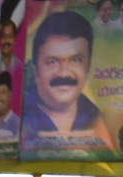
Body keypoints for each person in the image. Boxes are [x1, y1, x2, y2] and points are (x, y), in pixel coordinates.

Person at [21, 11, 115, 155]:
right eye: (52, 61)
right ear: (36, 70)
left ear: (87, 67)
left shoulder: (98, 121)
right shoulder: (20, 122)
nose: (64, 73)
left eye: (75, 60)